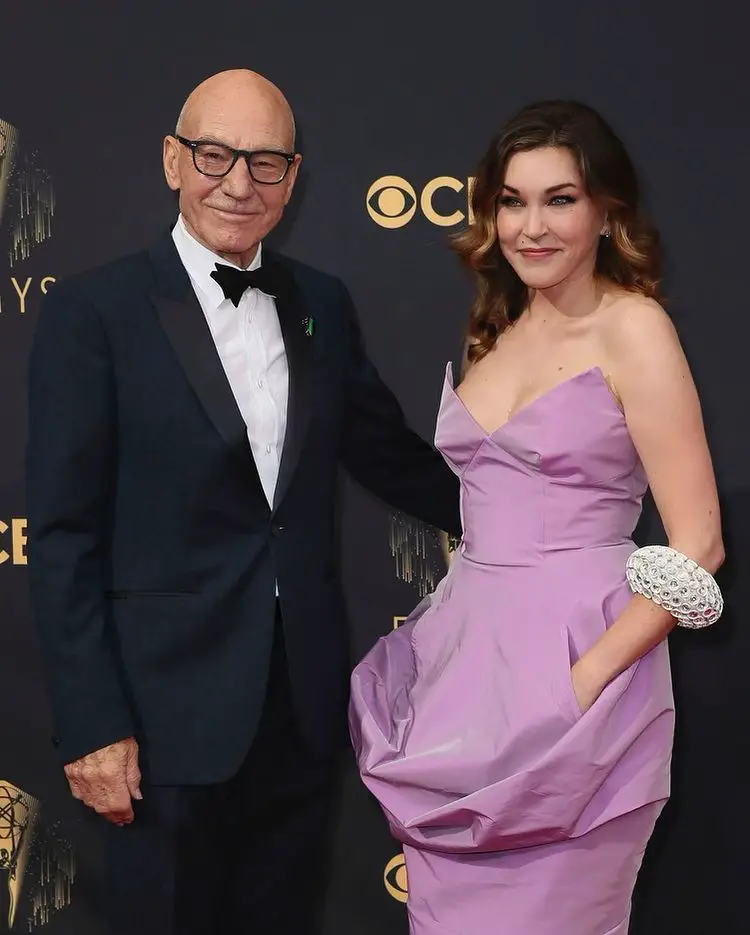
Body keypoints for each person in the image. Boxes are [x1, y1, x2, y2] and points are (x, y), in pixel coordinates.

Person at [25, 69, 460, 935]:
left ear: (293, 178)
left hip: (297, 706)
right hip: (157, 721)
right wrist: (91, 723)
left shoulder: (322, 304)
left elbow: (391, 456)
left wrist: (544, 509)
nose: (238, 183)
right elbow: (64, 534)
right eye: (215, 155)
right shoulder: (93, 311)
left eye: (264, 163)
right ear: (171, 160)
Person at [349, 99, 725, 935]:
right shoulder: (494, 332)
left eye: (560, 198)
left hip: (578, 672)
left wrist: (583, 679)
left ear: (606, 211)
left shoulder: (636, 329)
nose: (531, 225)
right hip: (465, 672)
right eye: (512, 201)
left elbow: (698, 538)